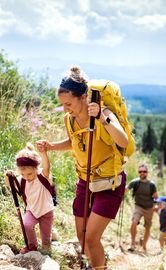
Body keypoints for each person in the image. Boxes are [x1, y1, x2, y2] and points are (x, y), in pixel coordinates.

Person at [37, 66, 128, 269]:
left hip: (108, 183)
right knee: (82, 236)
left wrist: (103, 120)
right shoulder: (70, 119)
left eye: (69, 103)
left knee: (91, 238)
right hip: (84, 181)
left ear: (84, 96)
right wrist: (51, 146)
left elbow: (122, 140)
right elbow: (73, 141)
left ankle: (98, 266)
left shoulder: (103, 113)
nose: (66, 108)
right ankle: (97, 263)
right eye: (63, 105)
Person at [5, 143, 54, 254]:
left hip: (46, 211)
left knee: (45, 237)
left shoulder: (42, 176)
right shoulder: (22, 180)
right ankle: (32, 245)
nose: (27, 177)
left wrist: (43, 153)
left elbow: (47, 166)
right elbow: (9, 185)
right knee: (26, 225)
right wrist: (7, 176)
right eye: (23, 174)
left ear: (36, 168)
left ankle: (47, 249)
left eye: (30, 174)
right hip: (32, 210)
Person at [125, 164, 158, 252]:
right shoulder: (135, 182)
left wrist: (156, 206)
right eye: (140, 171)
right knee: (134, 222)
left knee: (147, 227)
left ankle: (144, 246)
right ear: (138, 172)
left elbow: (156, 197)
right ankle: (132, 244)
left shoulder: (152, 185)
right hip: (138, 206)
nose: (142, 173)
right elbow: (126, 189)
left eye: (144, 171)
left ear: (147, 173)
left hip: (149, 208)